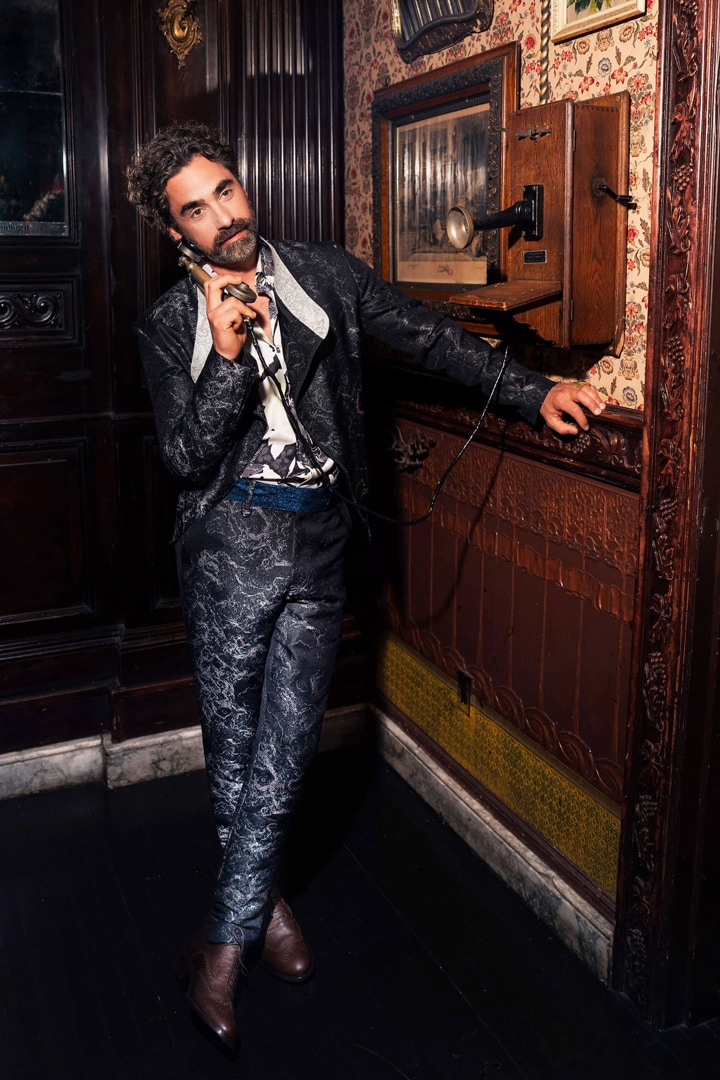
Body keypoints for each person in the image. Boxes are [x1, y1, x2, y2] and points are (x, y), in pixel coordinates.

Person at [125, 121, 605, 1052]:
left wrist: (530, 390)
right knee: (235, 752)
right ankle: (256, 919)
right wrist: (225, 356)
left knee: (286, 747)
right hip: (227, 553)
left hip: (316, 545)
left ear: (243, 185)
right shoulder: (168, 322)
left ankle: (220, 939)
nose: (224, 215)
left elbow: (429, 337)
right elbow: (184, 458)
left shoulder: (325, 274)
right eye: (197, 209)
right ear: (175, 232)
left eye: (226, 190)